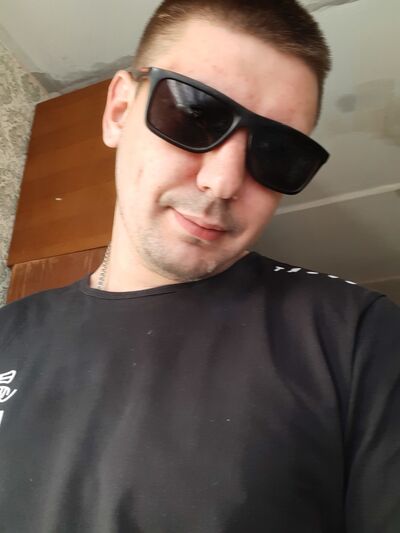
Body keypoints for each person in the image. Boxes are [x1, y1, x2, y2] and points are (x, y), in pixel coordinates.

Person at [0, 0, 399, 531]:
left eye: (277, 151)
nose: (223, 182)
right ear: (119, 111)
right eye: (193, 114)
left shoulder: (356, 337)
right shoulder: (8, 334)